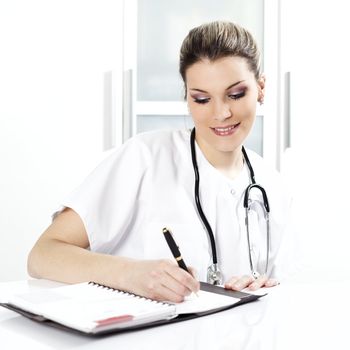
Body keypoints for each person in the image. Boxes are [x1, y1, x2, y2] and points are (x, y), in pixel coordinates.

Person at [28, 21, 294, 303]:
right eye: (202, 99)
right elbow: (42, 255)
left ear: (261, 88)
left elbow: (278, 292)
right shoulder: (144, 157)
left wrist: (260, 288)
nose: (221, 113)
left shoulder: (273, 186)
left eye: (236, 94)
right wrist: (132, 275)